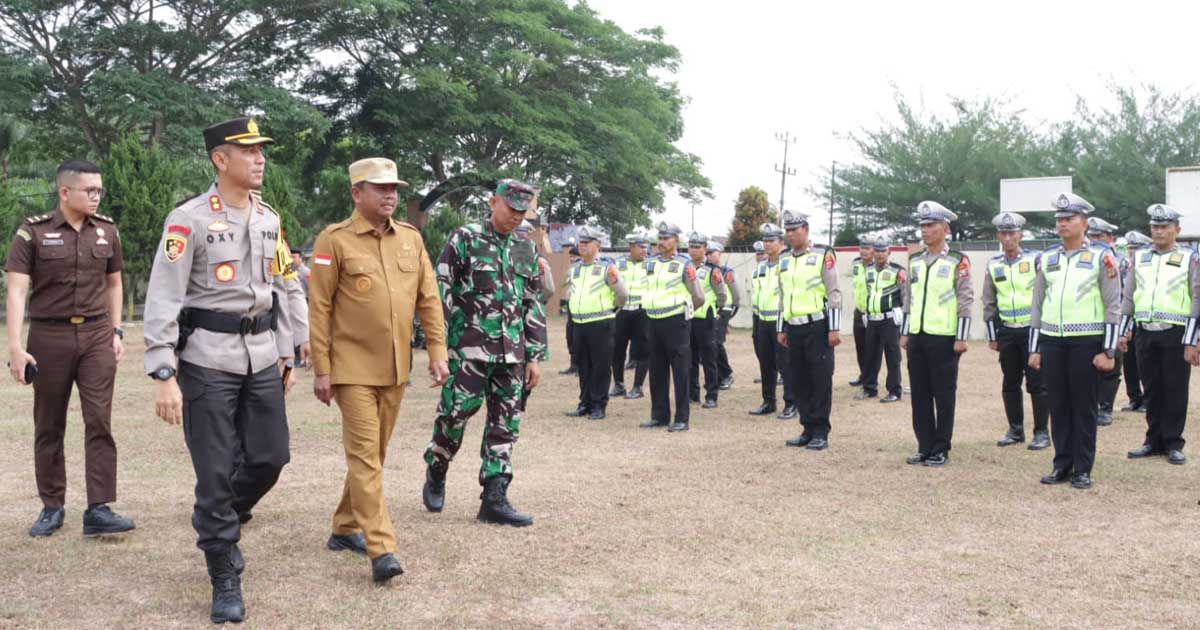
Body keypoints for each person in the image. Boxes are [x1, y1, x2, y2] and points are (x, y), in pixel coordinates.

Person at [143, 117, 297, 623]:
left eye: (262, 152)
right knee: (213, 470)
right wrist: (164, 373)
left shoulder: (269, 219)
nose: (260, 159)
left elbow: (281, 285)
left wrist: (289, 348)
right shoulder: (187, 220)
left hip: (261, 354)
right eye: (248, 151)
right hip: (207, 357)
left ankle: (222, 513)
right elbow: (164, 296)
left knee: (271, 457)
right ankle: (223, 568)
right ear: (219, 159)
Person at [307, 158, 449, 583]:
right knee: (366, 457)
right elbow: (320, 308)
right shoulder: (332, 241)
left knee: (375, 455)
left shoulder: (410, 239)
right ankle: (381, 547)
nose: (391, 195)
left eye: (395, 189)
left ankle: (344, 526)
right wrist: (321, 368)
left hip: (395, 367)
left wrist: (437, 351)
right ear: (356, 193)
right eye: (380, 188)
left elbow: (429, 298)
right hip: (351, 368)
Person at [5, 159, 134, 538]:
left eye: (99, 190)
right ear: (65, 192)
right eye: (89, 190)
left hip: (96, 336)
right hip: (49, 337)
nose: (96, 196)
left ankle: (99, 508)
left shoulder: (107, 231)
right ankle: (52, 506)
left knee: (99, 421)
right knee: (49, 424)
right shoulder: (33, 233)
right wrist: (15, 346)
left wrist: (117, 331)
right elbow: (16, 289)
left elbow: (114, 283)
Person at [421, 179, 547, 527]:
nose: (516, 218)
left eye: (523, 213)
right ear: (494, 202)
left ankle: (495, 497)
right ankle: (437, 465)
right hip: (469, 351)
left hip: (513, 355)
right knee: (454, 415)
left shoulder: (524, 246)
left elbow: (531, 302)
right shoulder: (465, 238)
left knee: (505, 425)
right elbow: (440, 291)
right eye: (511, 210)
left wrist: (534, 356)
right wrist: (439, 347)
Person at [1028, 192, 1121, 490]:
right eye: (1059, 219)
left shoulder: (1101, 257)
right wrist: (1035, 347)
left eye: (1069, 219)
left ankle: (1083, 467)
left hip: (1087, 342)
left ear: (1085, 223)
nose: (1063, 224)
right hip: (1053, 341)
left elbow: (1113, 305)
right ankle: (1062, 463)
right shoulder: (1048, 258)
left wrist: (1108, 350)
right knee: (1058, 404)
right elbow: (1038, 304)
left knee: (1083, 406)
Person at [1119, 204, 1200, 466]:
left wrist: (1192, 340)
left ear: (1177, 229)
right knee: (1151, 389)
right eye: (1155, 226)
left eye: (1165, 226)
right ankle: (1152, 441)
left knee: (1175, 390)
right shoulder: (1139, 257)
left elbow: (1197, 298)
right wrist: (1123, 332)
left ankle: (1173, 442)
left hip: (1176, 334)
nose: (1159, 231)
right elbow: (1128, 296)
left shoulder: (1191, 258)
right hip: (1145, 332)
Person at [900, 201, 973, 467]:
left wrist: (961, 336)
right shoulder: (915, 260)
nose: (925, 230)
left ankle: (941, 447)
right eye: (923, 225)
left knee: (943, 395)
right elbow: (909, 298)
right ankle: (924, 445)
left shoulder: (957, 260)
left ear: (945, 228)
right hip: (918, 336)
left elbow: (965, 298)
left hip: (944, 337)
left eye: (931, 225)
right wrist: (906, 332)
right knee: (919, 394)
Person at [981, 212, 1049, 450]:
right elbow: (988, 300)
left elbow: (1044, 296)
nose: (1007, 237)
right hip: (1007, 332)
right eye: (1003, 233)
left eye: (1012, 233)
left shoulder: (1035, 260)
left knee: (1037, 384)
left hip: (1031, 330)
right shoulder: (994, 264)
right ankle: (1015, 429)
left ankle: (1041, 432)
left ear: (1020, 235)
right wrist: (992, 335)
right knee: (1010, 382)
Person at [777, 210, 842, 450]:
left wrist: (834, 328)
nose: (791, 234)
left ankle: (821, 431)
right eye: (788, 230)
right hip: (793, 327)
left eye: (795, 229)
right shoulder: (784, 259)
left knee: (820, 379)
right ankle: (807, 427)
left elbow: (834, 292)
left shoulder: (823, 254)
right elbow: (783, 295)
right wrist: (781, 327)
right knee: (798, 379)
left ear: (806, 229)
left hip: (818, 325)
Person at [640, 222, 705, 432]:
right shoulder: (650, 263)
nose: (661, 242)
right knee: (657, 370)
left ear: (676, 241)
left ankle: (682, 417)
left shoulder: (685, 265)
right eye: (660, 238)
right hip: (653, 320)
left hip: (676, 321)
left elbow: (698, 296)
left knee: (680, 371)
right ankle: (659, 415)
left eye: (666, 238)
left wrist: (683, 313)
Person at [563, 226, 627, 420]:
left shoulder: (607, 269)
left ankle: (599, 405)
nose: (581, 246)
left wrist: (611, 310)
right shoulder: (574, 269)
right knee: (583, 365)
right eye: (580, 242)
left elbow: (622, 294)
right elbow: (570, 292)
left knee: (600, 365)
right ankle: (585, 402)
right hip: (579, 323)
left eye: (586, 242)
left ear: (597, 245)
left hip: (601, 323)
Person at [749, 224, 797, 419]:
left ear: (781, 242)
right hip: (762, 321)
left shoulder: (788, 264)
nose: (767, 244)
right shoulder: (760, 267)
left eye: (771, 241)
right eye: (766, 240)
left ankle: (791, 403)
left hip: (781, 320)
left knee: (786, 364)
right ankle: (768, 401)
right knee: (766, 363)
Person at [858, 235, 906, 404]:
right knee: (870, 354)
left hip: (889, 319)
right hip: (872, 319)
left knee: (892, 356)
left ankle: (894, 390)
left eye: (882, 251)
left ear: (889, 252)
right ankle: (870, 388)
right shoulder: (868, 269)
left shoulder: (897, 271)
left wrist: (904, 315)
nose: (879, 254)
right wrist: (865, 311)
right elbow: (868, 292)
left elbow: (905, 296)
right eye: (876, 250)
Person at [1087, 217, 1125, 426]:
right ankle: (1091, 404)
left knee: (1112, 365)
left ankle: (1105, 407)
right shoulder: (1088, 258)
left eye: (1099, 236)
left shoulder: (1121, 261)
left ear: (1110, 238)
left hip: (1114, 318)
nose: (1094, 240)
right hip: (1090, 320)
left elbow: (1127, 293)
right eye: (1091, 236)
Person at [686, 231, 728, 408]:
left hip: (706, 319)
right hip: (688, 317)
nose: (694, 250)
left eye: (698, 247)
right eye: (692, 246)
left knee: (709, 358)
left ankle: (711, 395)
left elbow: (722, 294)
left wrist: (715, 310)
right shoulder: (684, 268)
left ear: (705, 249)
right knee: (690, 359)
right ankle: (692, 394)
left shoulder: (712, 270)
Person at [611, 229, 650, 399]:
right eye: (641, 247)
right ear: (631, 247)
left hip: (642, 311)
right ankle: (619, 384)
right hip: (622, 311)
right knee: (617, 349)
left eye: (646, 247)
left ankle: (638, 386)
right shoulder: (617, 264)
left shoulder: (651, 265)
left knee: (642, 350)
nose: (644, 250)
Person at [1119, 230, 1152, 413]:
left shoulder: (1147, 266)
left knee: (1143, 363)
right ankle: (1134, 397)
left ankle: (1148, 398)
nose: (1132, 251)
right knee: (1129, 362)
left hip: (1141, 318)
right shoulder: (1124, 265)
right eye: (1130, 247)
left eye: (1136, 248)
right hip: (1126, 318)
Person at [708, 240, 740, 390]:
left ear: (719, 254)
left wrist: (733, 309)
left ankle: (726, 374)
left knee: (717, 343)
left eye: (711, 252)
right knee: (710, 344)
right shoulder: (705, 270)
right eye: (707, 253)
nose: (708, 256)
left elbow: (735, 292)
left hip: (723, 310)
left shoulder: (726, 271)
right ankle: (717, 376)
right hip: (709, 310)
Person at [849, 235, 872, 388]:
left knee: (873, 349)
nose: (863, 251)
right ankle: (864, 375)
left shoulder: (877, 266)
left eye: (867, 248)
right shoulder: (856, 264)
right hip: (859, 311)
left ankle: (871, 379)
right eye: (861, 247)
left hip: (873, 313)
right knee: (860, 347)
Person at [558, 239, 581, 375]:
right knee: (571, 336)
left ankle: (581, 365)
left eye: (575, 256)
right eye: (571, 256)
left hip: (581, 306)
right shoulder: (571, 269)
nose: (573, 259)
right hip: (571, 304)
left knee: (579, 337)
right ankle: (574, 364)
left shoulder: (581, 268)